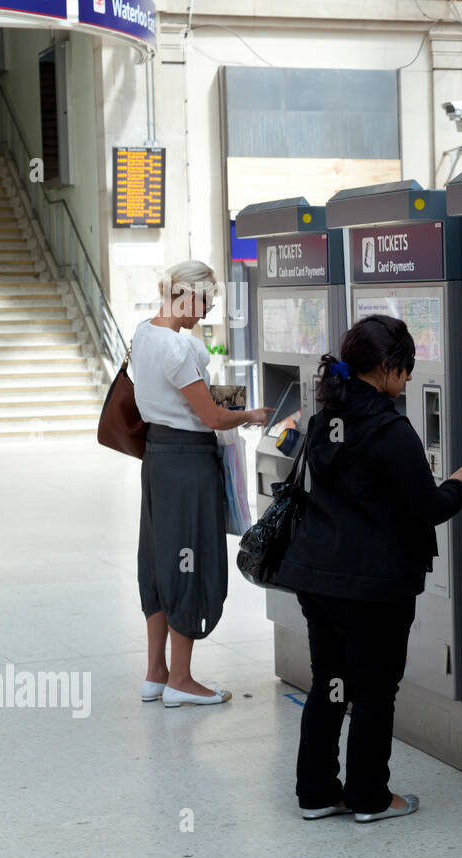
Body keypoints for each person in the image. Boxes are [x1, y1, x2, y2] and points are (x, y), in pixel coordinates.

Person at [273, 315, 462, 823]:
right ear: (384, 369)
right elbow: (426, 507)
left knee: (329, 686)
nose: (407, 381)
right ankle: (370, 798)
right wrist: (460, 486)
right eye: (404, 371)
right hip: (374, 587)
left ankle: (317, 793)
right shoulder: (389, 429)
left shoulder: (324, 420)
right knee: (374, 693)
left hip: (318, 577)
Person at [132, 259, 273, 708]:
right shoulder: (181, 349)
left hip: (156, 459)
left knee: (158, 560)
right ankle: (182, 680)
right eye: (206, 302)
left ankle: (156, 673)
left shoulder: (142, 333)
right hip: (188, 464)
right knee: (188, 560)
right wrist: (250, 414)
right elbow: (211, 417)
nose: (206, 314)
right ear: (186, 295)